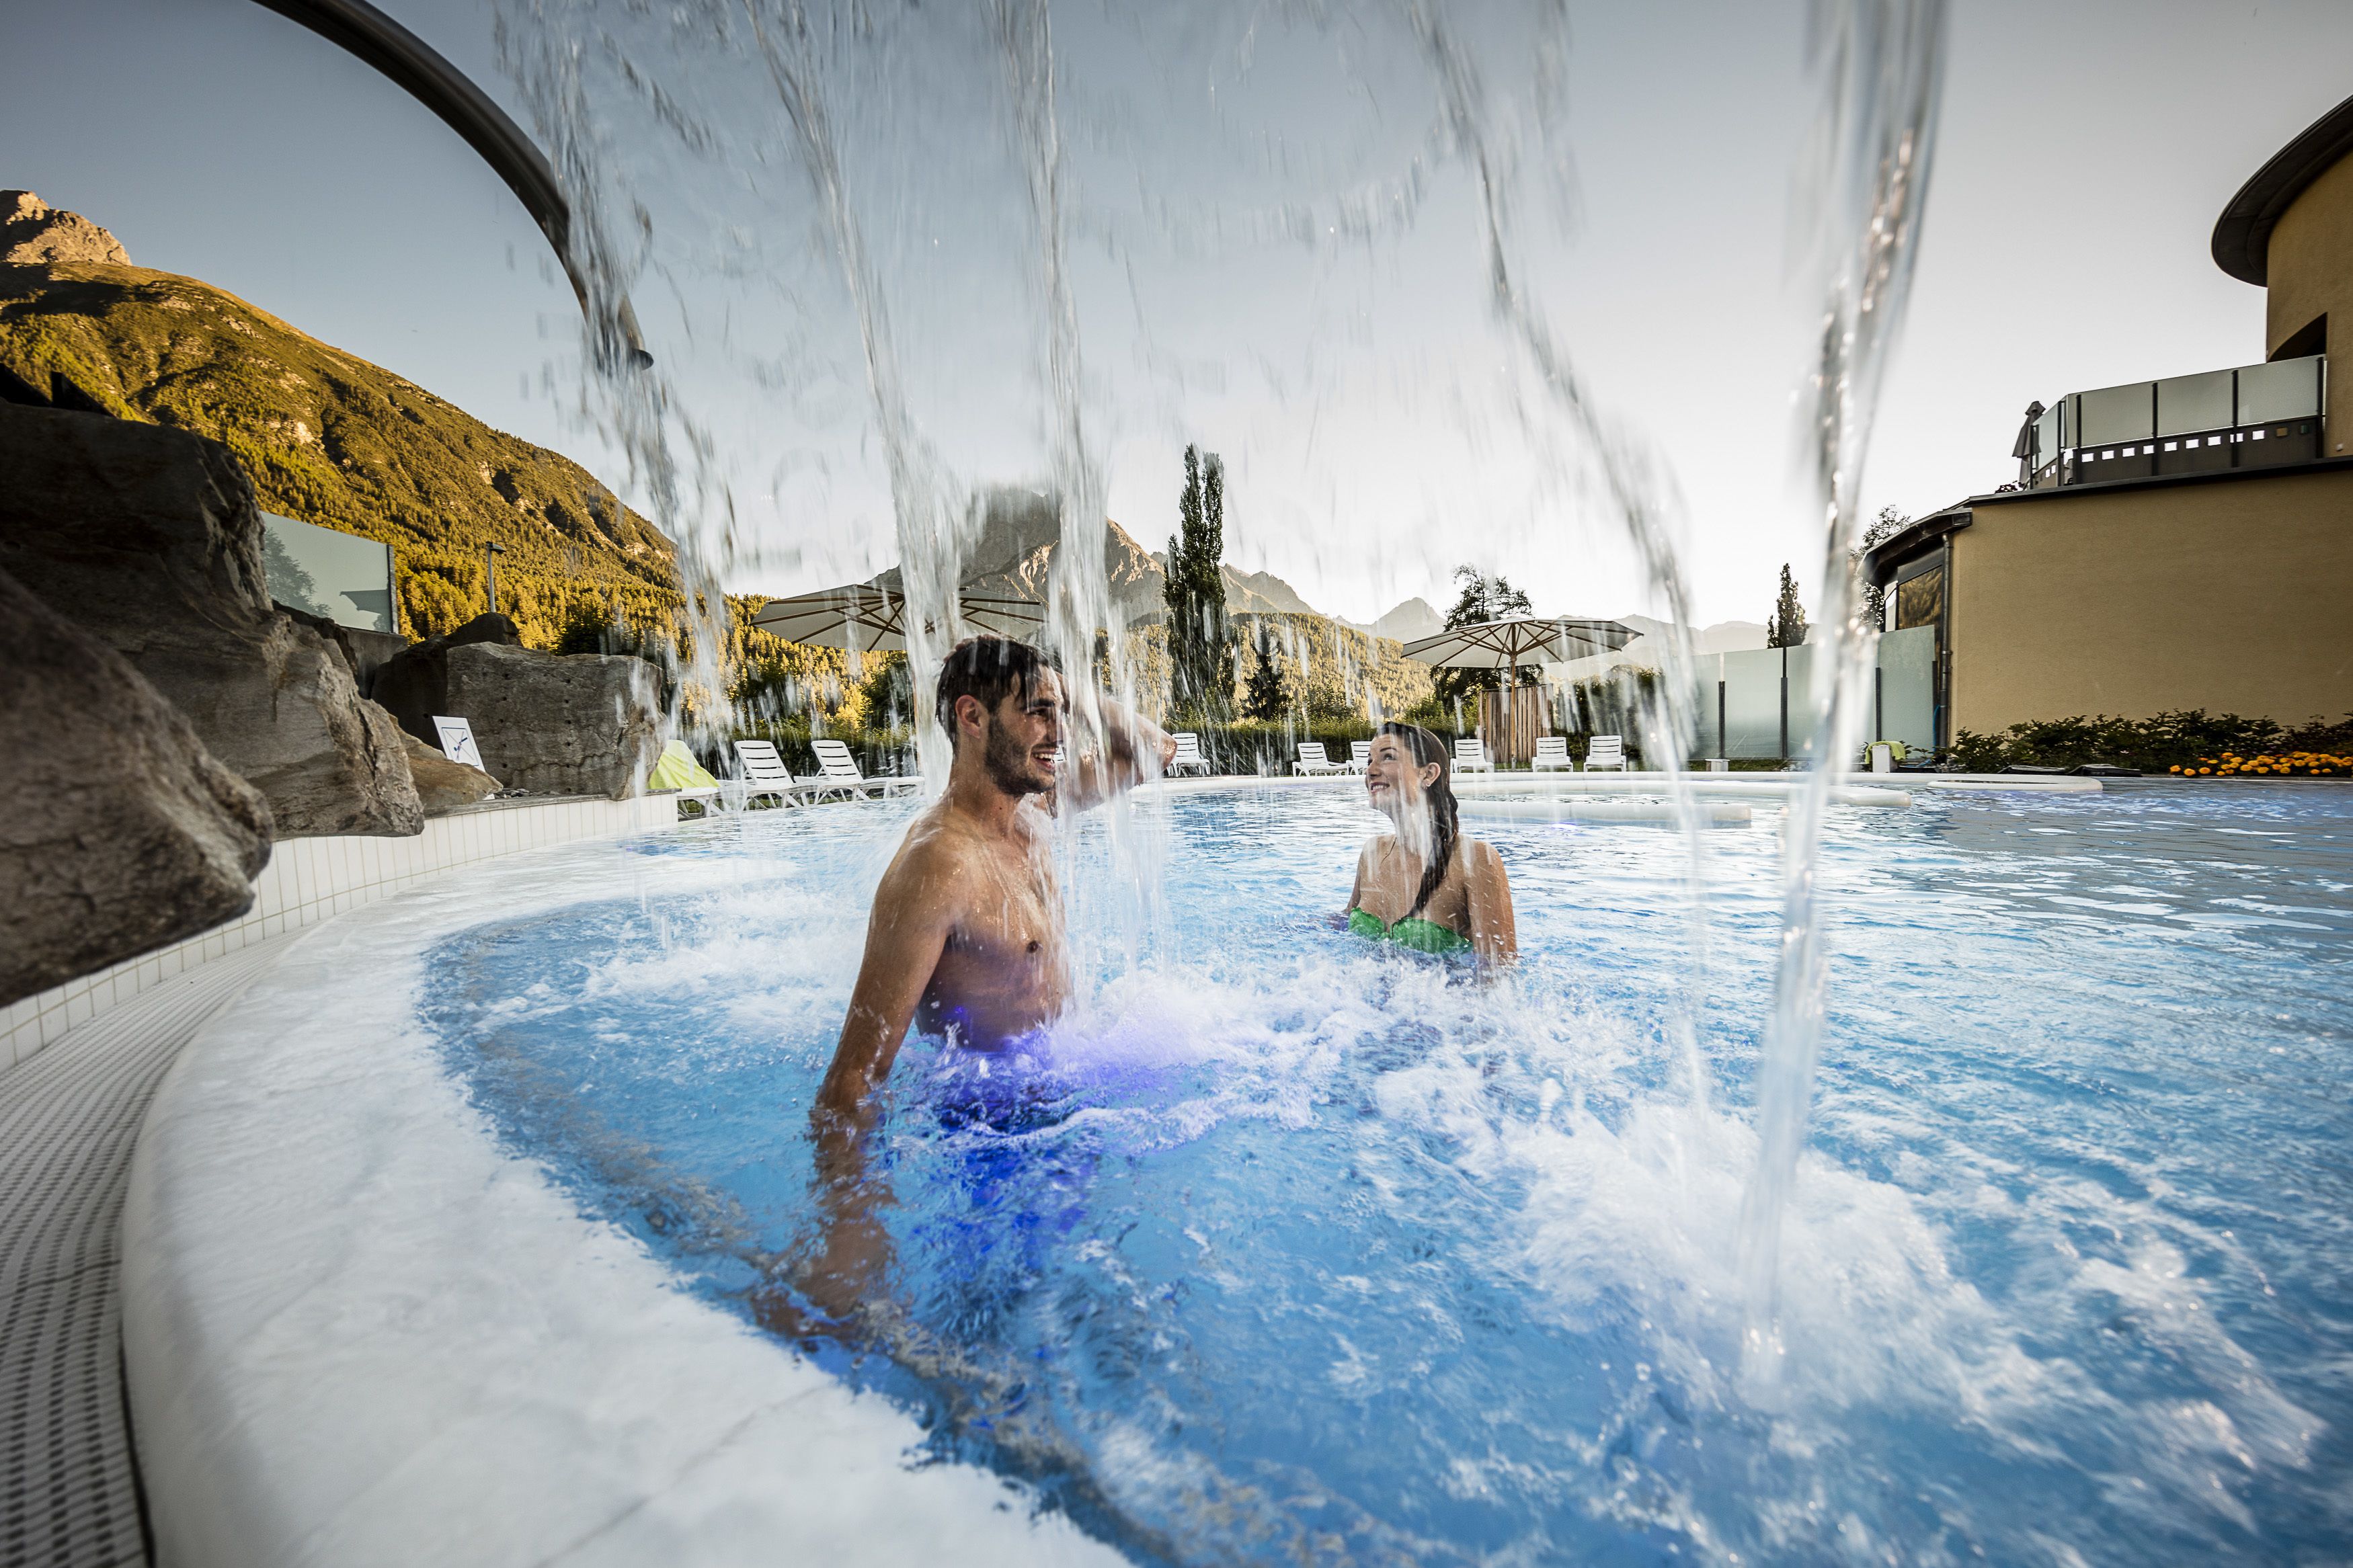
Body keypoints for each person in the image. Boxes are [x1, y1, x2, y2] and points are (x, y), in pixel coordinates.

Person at [789, 635, 1170, 1324]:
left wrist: (1065, 686)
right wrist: (851, 1228)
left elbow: (1154, 750)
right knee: (1009, 1320)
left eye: (1059, 713)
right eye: (1037, 712)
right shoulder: (937, 865)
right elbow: (851, 1079)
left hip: (1066, 1099)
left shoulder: (1033, 815)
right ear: (972, 716)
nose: (1059, 732)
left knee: (1106, 1313)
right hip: (991, 1133)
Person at [1343, 722, 1516, 966]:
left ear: (1428, 774)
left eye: (1388, 757)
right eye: (1369, 761)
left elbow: (1499, 970)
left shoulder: (1475, 860)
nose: (1370, 771)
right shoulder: (1373, 852)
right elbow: (1344, 919)